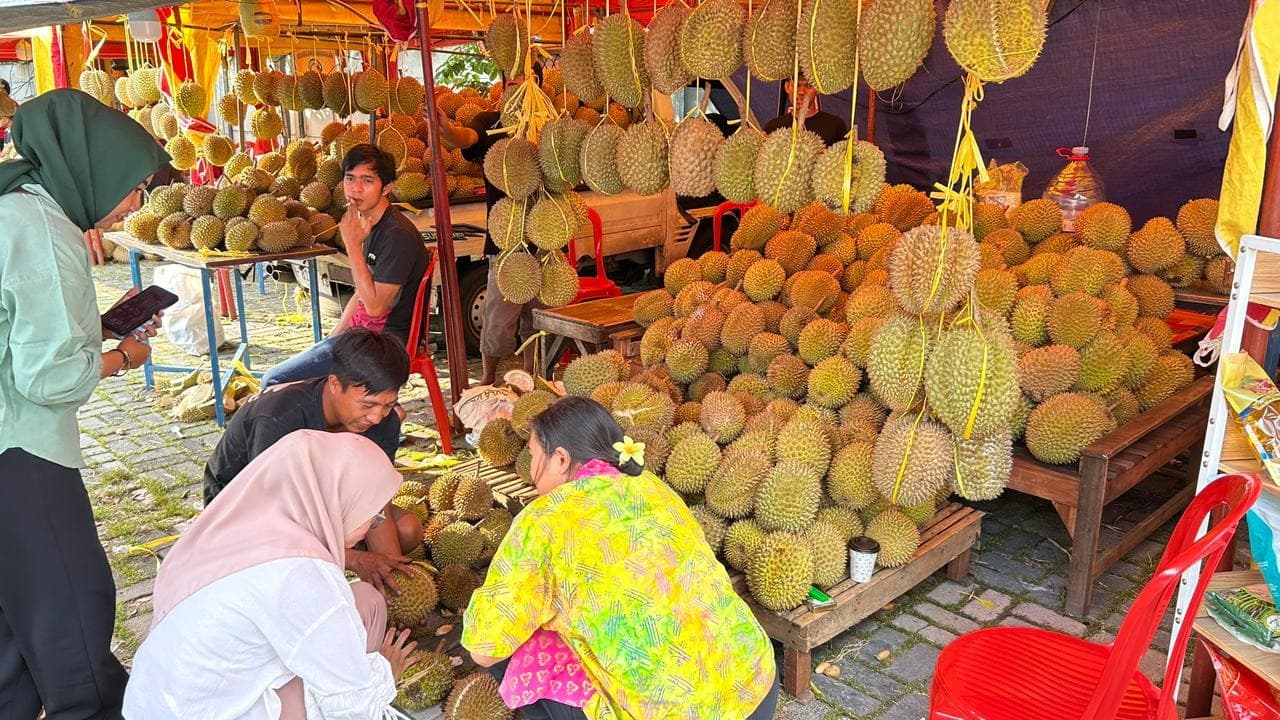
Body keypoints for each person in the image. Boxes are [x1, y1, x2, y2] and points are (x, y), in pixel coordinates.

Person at [0, 88, 169, 719]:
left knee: (14, 628)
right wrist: (120, 356)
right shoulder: (45, 231)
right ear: (91, 168)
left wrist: (88, 326)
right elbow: (50, 379)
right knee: (69, 611)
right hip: (21, 449)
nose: (135, 202)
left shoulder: (13, 206)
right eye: (134, 185)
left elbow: (18, 327)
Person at [462, 396, 779, 720]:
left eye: (533, 455)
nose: (531, 472)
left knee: (515, 651)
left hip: (670, 714)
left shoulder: (544, 520)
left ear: (560, 458)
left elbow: (483, 649)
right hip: (755, 687)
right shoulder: (655, 488)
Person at [123, 430, 419, 720]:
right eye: (373, 514)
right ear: (336, 499)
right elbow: (354, 711)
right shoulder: (301, 574)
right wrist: (384, 676)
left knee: (365, 600)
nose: (373, 525)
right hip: (212, 710)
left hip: (156, 702)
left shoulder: (235, 526)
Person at [204, 328, 422, 594]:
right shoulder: (279, 417)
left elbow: (377, 507)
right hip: (244, 512)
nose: (376, 417)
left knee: (407, 529)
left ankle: (334, 557)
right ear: (333, 384)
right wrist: (355, 560)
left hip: (320, 497)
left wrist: (392, 584)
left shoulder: (382, 422)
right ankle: (328, 561)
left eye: (388, 405)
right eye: (367, 405)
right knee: (295, 582)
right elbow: (272, 517)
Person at [261, 144, 428, 388]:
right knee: (294, 372)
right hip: (363, 336)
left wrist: (352, 245)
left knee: (273, 381)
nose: (355, 189)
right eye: (350, 179)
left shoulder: (396, 235)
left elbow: (374, 307)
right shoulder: (371, 222)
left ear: (388, 187)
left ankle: (367, 415)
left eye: (367, 181)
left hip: (385, 344)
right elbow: (362, 291)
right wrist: (336, 335)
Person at [763, 78, 848, 147]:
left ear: (817, 88)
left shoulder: (835, 126)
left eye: (809, 86)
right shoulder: (773, 127)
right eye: (796, 85)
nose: (801, 92)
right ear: (787, 87)